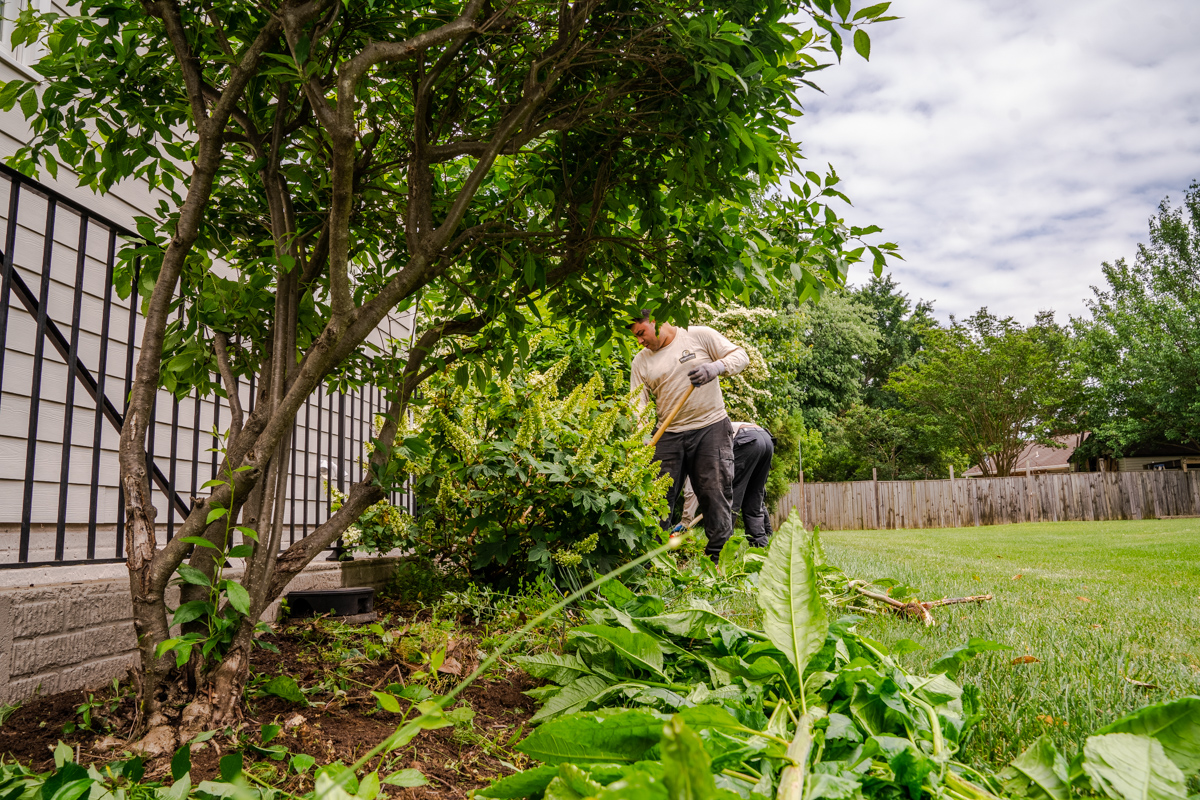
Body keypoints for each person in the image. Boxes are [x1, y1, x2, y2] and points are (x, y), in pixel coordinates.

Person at [629, 310, 748, 559]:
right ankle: (653, 562)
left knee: (714, 495)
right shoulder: (641, 361)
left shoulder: (698, 335)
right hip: (668, 435)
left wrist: (716, 367)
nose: (639, 341)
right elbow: (637, 405)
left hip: (710, 428)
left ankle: (718, 561)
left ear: (656, 321)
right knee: (656, 499)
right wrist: (641, 440)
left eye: (641, 333)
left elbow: (741, 356)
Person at [682, 420, 775, 547]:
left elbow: (690, 490)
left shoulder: (698, 450)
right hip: (766, 438)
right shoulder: (710, 431)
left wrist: (685, 521)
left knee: (729, 496)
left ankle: (724, 547)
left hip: (746, 440)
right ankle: (760, 545)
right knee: (755, 495)